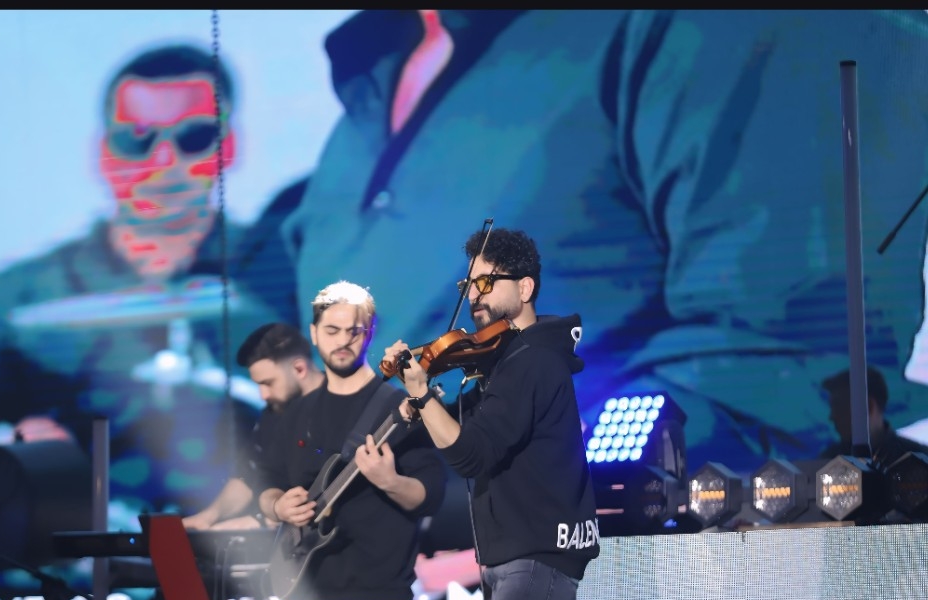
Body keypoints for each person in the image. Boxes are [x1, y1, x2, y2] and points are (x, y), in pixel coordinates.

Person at [284, 9, 928, 479]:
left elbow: (785, 358)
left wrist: (541, 501)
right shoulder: (363, 87)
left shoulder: (708, 26)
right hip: (391, 556)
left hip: (635, 562)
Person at [0, 42, 301, 517]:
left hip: (262, 545)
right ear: (102, 152)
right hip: (86, 552)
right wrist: (12, 475)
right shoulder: (22, 296)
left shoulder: (287, 272)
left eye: (194, 137)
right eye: (137, 138)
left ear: (229, 146)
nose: (164, 161)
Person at [382, 226, 600, 600]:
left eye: (485, 283)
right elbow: (468, 435)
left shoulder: (533, 361)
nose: (473, 297)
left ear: (525, 288)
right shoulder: (504, 362)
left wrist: (422, 395)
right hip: (513, 556)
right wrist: (422, 406)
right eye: (468, 286)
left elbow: (471, 455)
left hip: (536, 556)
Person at [256, 280, 447, 600]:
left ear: (370, 333)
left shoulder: (397, 407)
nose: (343, 341)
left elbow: (430, 495)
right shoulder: (296, 413)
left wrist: (389, 481)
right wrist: (277, 504)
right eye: (332, 330)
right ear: (313, 333)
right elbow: (267, 483)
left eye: (354, 331)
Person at [182, 322, 325, 531]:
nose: (262, 395)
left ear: (299, 368)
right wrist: (208, 517)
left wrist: (257, 521)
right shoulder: (273, 415)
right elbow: (250, 475)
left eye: (268, 383)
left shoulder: (339, 403)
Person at [820, 365, 928, 467]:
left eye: (839, 406)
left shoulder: (921, 462)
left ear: (868, 406)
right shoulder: (827, 462)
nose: (832, 417)